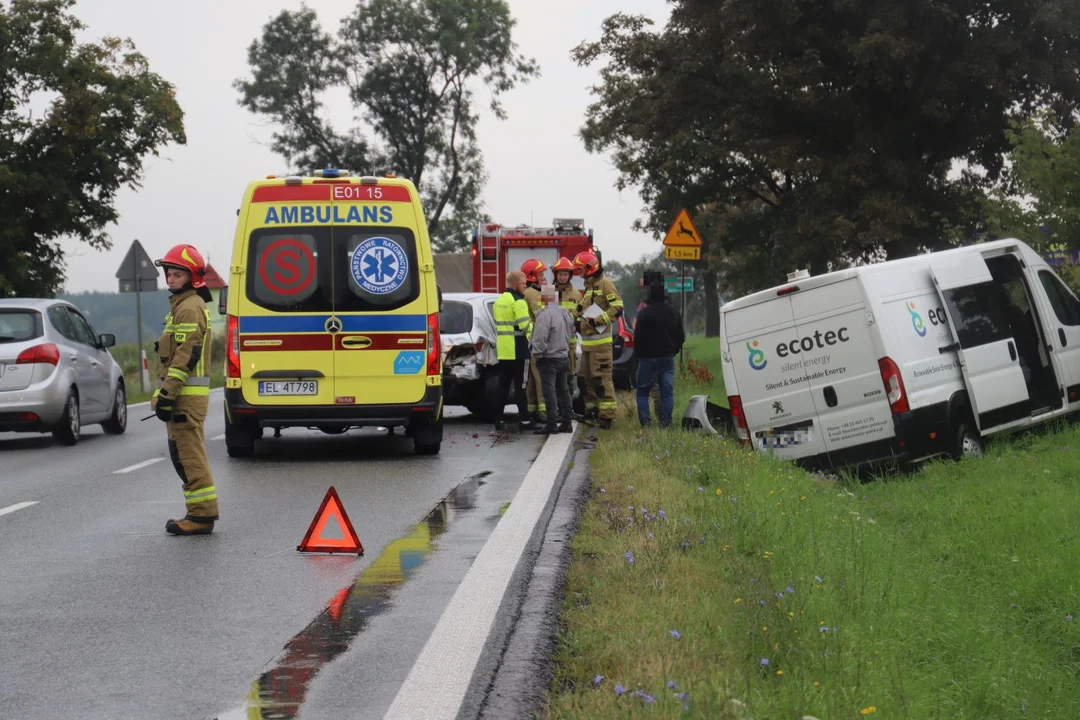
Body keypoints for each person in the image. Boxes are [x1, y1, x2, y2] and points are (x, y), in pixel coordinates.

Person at [152, 244, 219, 535]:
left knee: (190, 456)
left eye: (177, 274)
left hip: (185, 398)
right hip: (181, 396)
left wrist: (167, 393)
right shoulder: (180, 306)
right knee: (182, 454)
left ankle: (202, 516)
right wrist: (162, 392)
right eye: (169, 273)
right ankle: (197, 512)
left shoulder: (190, 307)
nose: (170, 279)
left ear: (192, 277)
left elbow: (185, 355)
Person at [574, 251, 624, 429]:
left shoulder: (605, 284)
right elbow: (583, 310)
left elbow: (617, 307)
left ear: (589, 268)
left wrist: (599, 319)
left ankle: (606, 416)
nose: (578, 273)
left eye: (580, 269)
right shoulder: (590, 287)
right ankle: (592, 413)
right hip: (588, 345)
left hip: (601, 345)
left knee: (602, 380)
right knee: (585, 380)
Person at [633, 280, 685, 427]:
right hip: (667, 358)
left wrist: (639, 354)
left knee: (642, 392)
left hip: (648, 359)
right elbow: (681, 336)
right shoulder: (673, 312)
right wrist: (674, 350)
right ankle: (666, 423)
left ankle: (646, 423)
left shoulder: (644, 313)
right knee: (667, 393)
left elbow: (638, 337)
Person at [530, 285, 575, 434]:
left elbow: (540, 337)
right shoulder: (565, 313)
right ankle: (567, 423)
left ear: (544, 298)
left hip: (549, 358)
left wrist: (537, 354)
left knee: (548, 391)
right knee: (563, 390)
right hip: (563, 356)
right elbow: (571, 332)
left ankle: (552, 424)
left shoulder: (544, 315)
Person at [493, 270, 533, 431]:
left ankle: (498, 420)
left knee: (503, 386)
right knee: (521, 387)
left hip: (504, 351)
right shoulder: (519, 302)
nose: (525, 286)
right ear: (515, 284)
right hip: (520, 351)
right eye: (524, 284)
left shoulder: (499, 301)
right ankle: (525, 420)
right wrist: (536, 333)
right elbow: (525, 327)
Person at [519, 258, 548, 424]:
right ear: (533, 275)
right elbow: (544, 317)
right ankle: (544, 411)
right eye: (541, 274)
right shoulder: (533, 294)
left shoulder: (530, 292)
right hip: (539, 341)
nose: (544, 277)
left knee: (531, 378)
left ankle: (533, 409)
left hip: (531, 342)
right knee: (541, 377)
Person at [551, 257, 582, 379]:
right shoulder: (549, 292)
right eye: (560, 274)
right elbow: (543, 315)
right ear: (555, 275)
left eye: (565, 274)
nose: (562, 277)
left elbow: (581, 313)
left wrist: (577, 324)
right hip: (553, 342)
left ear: (570, 276)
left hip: (570, 342)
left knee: (569, 372)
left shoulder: (577, 294)